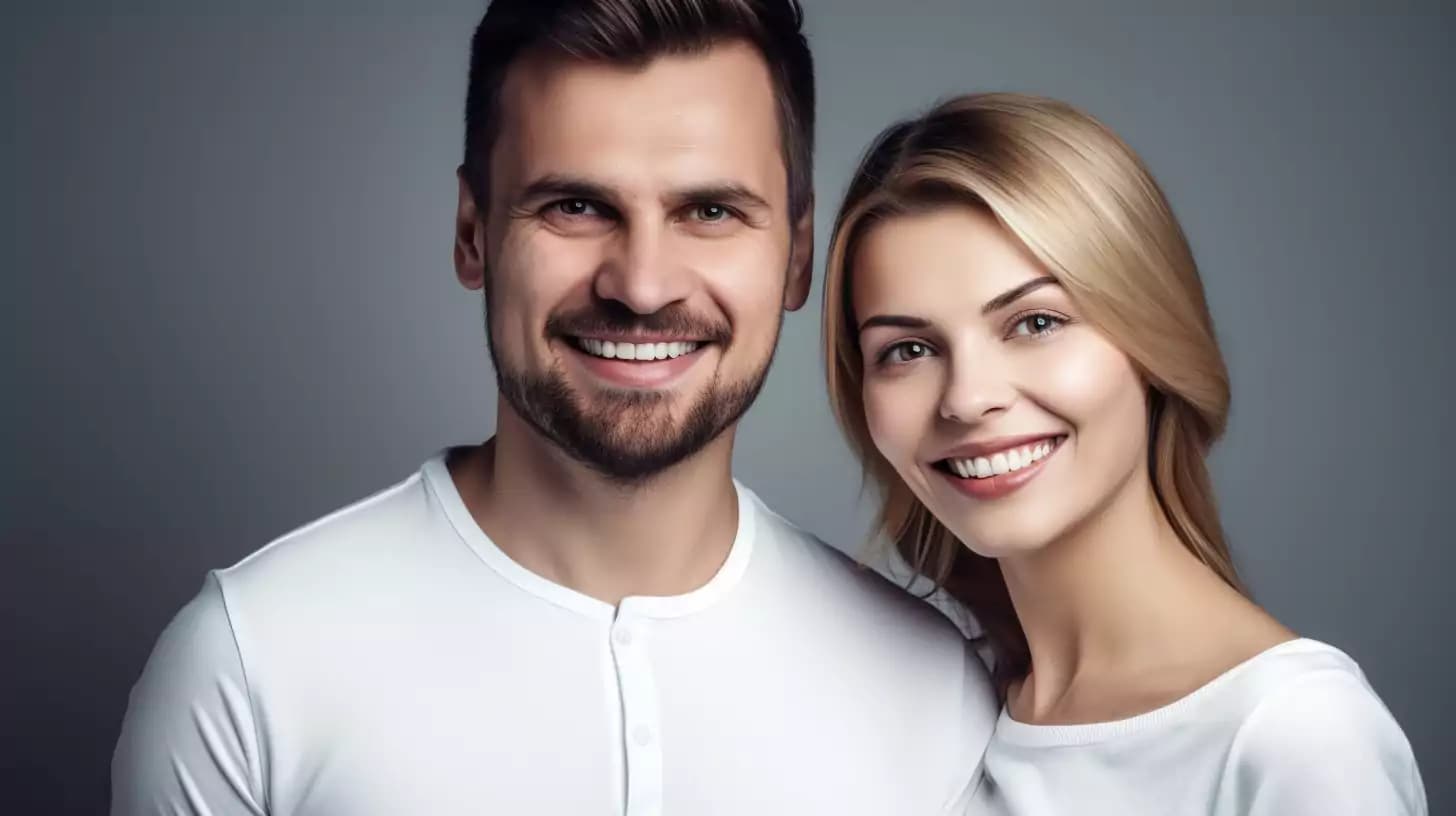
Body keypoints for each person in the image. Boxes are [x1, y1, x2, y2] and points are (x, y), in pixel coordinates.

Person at [111, 2, 999, 814]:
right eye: (575, 206)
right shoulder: (250, 660)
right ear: (473, 233)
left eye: (710, 210)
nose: (642, 287)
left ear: (797, 258)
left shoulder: (932, 688)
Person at [822, 92, 1427, 815]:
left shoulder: (1295, 738)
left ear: (1151, 336)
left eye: (1036, 322)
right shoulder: (933, 707)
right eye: (908, 349)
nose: (967, 398)